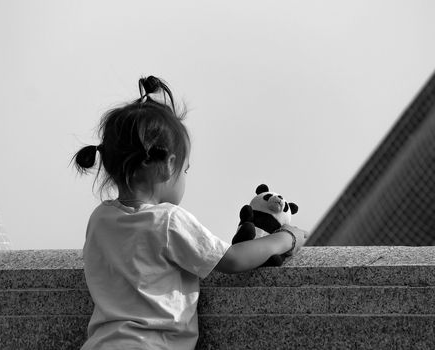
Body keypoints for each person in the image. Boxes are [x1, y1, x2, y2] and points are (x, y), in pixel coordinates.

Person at [73, 76, 308, 350]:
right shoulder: (167, 220)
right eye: (185, 170)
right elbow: (231, 260)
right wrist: (285, 238)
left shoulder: (100, 219)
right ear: (168, 165)